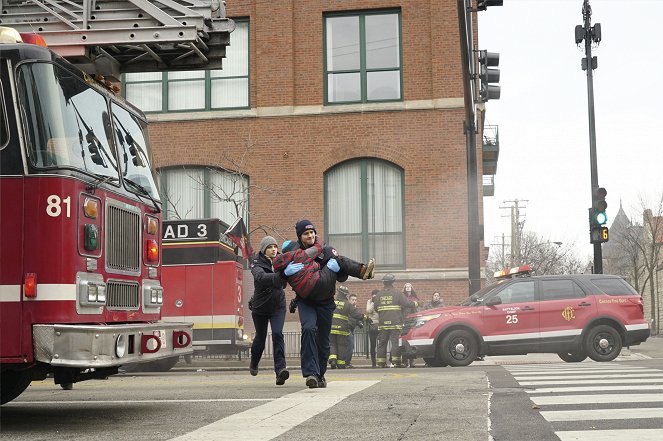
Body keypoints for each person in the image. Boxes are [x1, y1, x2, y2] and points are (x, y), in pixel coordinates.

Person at [284, 220, 374, 388]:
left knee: (323, 341)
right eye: (305, 233)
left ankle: (320, 375)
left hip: (325, 302)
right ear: (299, 237)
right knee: (309, 329)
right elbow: (283, 274)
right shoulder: (295, 253)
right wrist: (285, 271)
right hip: (306, 301)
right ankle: (310, 373)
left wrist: (335, 269)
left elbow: (341, 276)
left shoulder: (325, 250)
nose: (310, 236)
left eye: (312, 232)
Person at [248, 236, 291, 386]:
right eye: (270, 247)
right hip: (260, 307)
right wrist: (281, 276)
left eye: (275, 246)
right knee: (261, 337)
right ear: (263, 249)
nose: (274, 249)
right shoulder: (256, 262)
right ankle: (254, 361)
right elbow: (261, 277)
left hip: (278, 306)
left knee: (278, 334)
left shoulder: (281, 260)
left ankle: (280, 371)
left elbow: (286, 282)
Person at [375, 274, 417, 368]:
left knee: (382, 343)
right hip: (395, 323)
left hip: (383, 324)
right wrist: (416, 303)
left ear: (384, 282)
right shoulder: (397, 293)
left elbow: (376, 308)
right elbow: (406, 303)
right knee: (395, 342)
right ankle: (396, 362)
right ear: (392, 282)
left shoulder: (379, 295)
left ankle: (381, 363)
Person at [329, 286, 365, 369]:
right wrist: (365, 317)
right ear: (345, 294)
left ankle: (333, 360)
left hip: (332, 328)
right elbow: (356, 314)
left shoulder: (332, 302)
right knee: (342, 345)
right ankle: (341, 364)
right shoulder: (347, 304)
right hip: (342, 329)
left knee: (332, 344)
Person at [401, 282, 421, 367]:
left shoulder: (415, 298)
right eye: (406, 287)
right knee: (404, 341)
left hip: (413, 320)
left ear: (412, 288)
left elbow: (418, 308)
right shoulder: (402, 298)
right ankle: (404, 360)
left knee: (412, 341)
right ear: (404, 288)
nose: (408, 288)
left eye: (409, 286)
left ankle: (412, 360)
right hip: (404, 320)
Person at [345, 292, 362, 368]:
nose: (354, 301)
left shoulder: (355, 309)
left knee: (349, 346)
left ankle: (346, 362)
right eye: (352, 300)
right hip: (346, 329)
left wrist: (358, 323)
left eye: (355, 300)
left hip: (351, 329)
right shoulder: (347, 307)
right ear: (349, 300)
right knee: (350, 345)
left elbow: (355, 317)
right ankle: (346, 362)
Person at [366, 289, 380, 368]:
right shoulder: (369, 302)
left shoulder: (380, 301)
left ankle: (381, 361)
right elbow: (368, 310)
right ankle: (373, 362)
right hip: (372, 325)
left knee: (381, 344)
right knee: (373, 345)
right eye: (373, 294)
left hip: (380, 325)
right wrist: (373, 302)